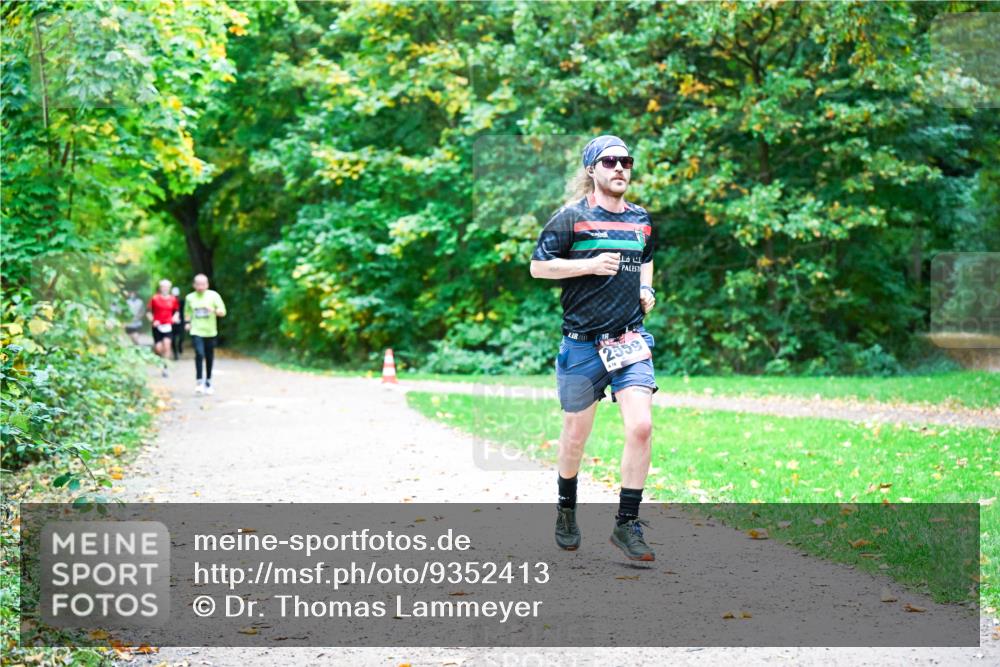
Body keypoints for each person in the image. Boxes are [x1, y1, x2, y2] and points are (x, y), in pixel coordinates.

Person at [529, 135, 658, 561]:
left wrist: (646, 289)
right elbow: (538, 267)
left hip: (628, 340)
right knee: (574, 436)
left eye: (626, 161)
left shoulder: (640, 219)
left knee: (641, 426)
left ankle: (626, 523)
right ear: (591, 169)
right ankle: (566, 508)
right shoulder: (571, 218)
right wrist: (588, 264)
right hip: (582, 344)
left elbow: (646, 258)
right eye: (609, 161)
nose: (619, 167)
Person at [184, 273, 226, 395]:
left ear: (207, 284)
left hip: (210, 331)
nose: (200, 287)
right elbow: (187, 312)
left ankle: (208, 381)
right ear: (194, 285)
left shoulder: (214, 296)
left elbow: (223, 312)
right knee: (199, 353)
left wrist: (213, 310)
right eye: (198, 284)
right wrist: (187, 323)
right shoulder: (190, 297)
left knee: (209, 356)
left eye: (203, 284)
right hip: (196, 330)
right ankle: (199, 382)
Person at [147, 279, 180, 376]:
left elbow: (177, 311)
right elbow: (148, 312)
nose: (165, 288)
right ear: (160, 288)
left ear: (169, 288)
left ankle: (166, 368)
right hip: (157, 325)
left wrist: (175, 317)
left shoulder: (173, 299)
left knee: (167, 345)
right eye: (163, 287)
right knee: (158, 348)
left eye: (167, 287)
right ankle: (161, 360)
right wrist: (153, 320)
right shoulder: (155, 298)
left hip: (168, 325)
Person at [171, 286, 185, 360]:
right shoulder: (169, 302)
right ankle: (175, 353)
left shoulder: (182, 302)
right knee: (173, 339)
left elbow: (185, 312)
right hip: (172, 322)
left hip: (181, 322)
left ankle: (180, 346)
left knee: (181, 337)